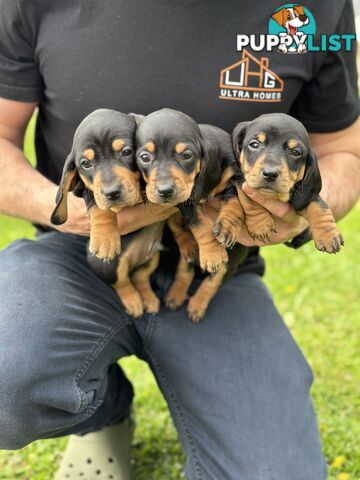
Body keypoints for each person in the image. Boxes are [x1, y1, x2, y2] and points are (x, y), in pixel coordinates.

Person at [0, 1, 359, 479]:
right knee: (7, 382)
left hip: (218, 266)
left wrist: (301, 212)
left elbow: (342, 150)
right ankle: (102, 409)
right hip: (78, 253)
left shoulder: (315, 8)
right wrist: (84, 216)